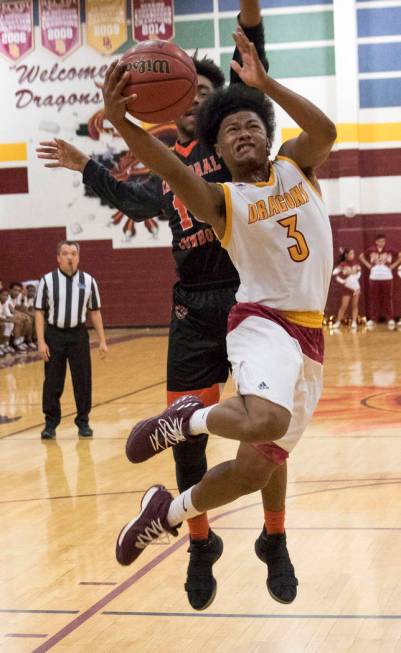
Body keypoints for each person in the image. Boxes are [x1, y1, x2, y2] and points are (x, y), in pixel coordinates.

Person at [36, 4, 297, 610]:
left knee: (266, 434)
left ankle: (275, 537)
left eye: (203, 94)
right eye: (185, 94)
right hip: (192, 310)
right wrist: (87, 165)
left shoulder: (234, 150)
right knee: (184, 434)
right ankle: (200, 542)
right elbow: (130, 194)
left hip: (250, 299)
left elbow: (249, 75)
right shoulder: (167, 172)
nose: (192, 102)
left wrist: (252, 24)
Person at [99, 27, 336, 597]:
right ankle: (186, 420)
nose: (244, 131)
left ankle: (167, 512)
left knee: (257, 468)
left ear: (268, 133)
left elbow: (325, 130)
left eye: (252, 123)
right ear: (220, 151)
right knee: (267, 420)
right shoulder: (224, 201)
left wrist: (263, 83)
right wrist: (123, 123)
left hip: (310, 339)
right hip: (261, 324)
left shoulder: (295, 168)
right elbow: (175, 173)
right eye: (231, 130)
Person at [35, 240, 108, 440]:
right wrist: (41, 341)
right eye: (65, 253)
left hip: (78, 335)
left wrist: (102, 340)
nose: (69, 257)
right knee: (53, 381)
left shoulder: (89, 280)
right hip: (54, 335)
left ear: (78, 257)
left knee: (82, 379)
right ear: (58, 257)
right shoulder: (47, 281)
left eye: (73, 253)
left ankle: (83, 422)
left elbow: (95, 312)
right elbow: (39, 312)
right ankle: (50, 423)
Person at [359, 234, 401, 329]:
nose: (382, 243)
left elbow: (400, 255)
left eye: (383, 241)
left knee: (388, 298)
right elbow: (361, 256)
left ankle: (389, 318)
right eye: (380, 241)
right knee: (374, 298)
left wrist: (393, 265)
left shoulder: (389, 249)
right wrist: (369, 265)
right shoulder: (371, 250)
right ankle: (373, 318)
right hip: (374, 277)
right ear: (376, 241)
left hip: (387, 277)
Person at [332, 249, 361, 330]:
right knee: (344, 305)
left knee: (355, 305)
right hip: (347, 288)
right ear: (346, 255)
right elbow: (334, 274)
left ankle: (354, 322)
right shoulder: (343, 264)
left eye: (353, 253)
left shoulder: (356, 264)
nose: (353, 255)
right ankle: (338, 322)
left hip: (356, 288)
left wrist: (355, 277)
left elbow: (359, 273)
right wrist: (342, 281)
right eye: (351, 253)